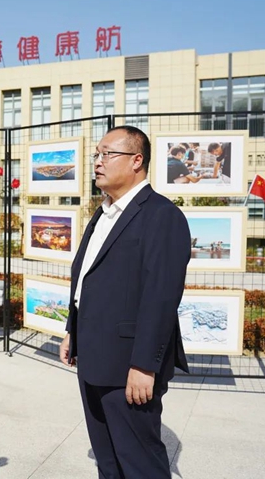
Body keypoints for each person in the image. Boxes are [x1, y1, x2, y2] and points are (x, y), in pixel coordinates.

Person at [59, 125, 190, 478]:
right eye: (96, 154)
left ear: (136, 160)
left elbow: (161, 297)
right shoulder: (103, 213)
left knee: (139, 463)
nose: (97, 162)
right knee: (108, 461)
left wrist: (144, 365)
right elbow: (87, 278)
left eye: (107, 154)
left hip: (128, 365)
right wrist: (72, 330)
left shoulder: (161, 215)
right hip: (93, 356)